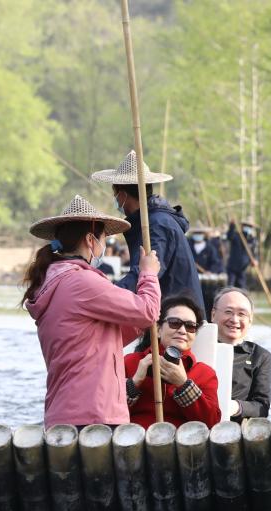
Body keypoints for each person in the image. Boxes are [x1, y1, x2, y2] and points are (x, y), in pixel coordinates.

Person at [23, 195, 161, 428]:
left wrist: (133, 319)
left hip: (63, 412)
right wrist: (148, 274)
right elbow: (148, 311)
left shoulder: (52, 281)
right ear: (90, 240)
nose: (104, 245)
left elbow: (105, 338)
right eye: (104, 238)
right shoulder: (82, 282)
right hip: (93, 414)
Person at [91, 150, 205, 311]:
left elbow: (145, 274)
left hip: (177, 318)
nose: (115, 198)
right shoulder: (151, 221)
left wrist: (105, 297)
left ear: (122, 195)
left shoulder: (157, 225)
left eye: (115, 193)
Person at [124, 294, 221, 428]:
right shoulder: (130, 362)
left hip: (183, 445)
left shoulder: (204, 373)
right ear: (157, 330)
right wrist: (134, 384)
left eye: (190, 326)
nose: (182, 331)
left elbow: (212, 423)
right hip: (135, 442)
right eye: (174, 323)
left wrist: (183, 384)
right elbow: (108, 414)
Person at [211, 286, 271, 422]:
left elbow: (262, 407)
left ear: (250, 320)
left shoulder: (260, 356)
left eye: (242, 314)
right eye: (228, 312)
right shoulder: (198, 347)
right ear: (213, 315)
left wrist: (235, 407)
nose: (234, 319)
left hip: (236, 429)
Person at [225, 220, 258, 290]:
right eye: (246, 226)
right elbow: (229, 236)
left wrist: (255, 260)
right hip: (232, 267)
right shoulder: (236, 236)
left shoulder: (252, 240)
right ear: (242, 226)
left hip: (243, 269)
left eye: (249, 227)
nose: (247, 228)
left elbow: (254, 253)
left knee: (242, 287)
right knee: (230, 287)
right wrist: (232, 226)